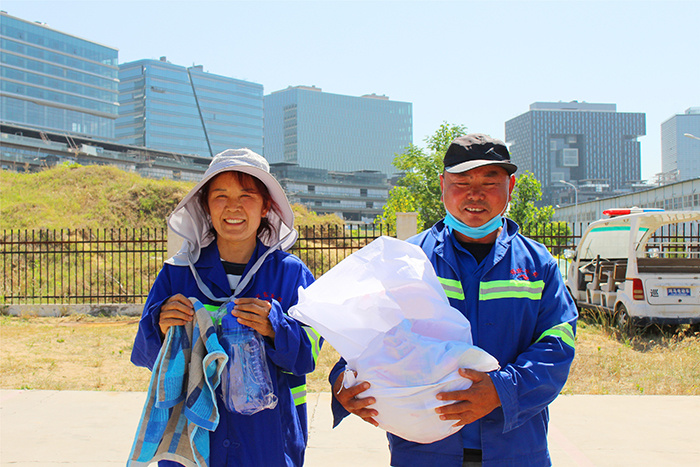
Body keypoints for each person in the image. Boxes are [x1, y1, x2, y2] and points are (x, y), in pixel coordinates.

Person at [329, 134, 577, 466]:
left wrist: (501, 390)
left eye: (490, 181)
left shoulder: (537, 265)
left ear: (511, 186)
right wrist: (344, 379)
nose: (475, 194)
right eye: (462, 181)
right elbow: (368, 332)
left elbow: (558, 343)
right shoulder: (410, 259)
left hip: (515, 449)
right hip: (424, 451)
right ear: (443, 184)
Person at [131, 148, 320, 466]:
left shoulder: (291, 273)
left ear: (266, 206)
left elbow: (308, 355)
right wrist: (161, 327)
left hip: (268, 444)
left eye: (247, 195)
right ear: (205, 206)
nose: (233, 207)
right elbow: (145, 356)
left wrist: (276, 327)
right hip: (192, 444)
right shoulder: (178, 272)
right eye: (220, 196)